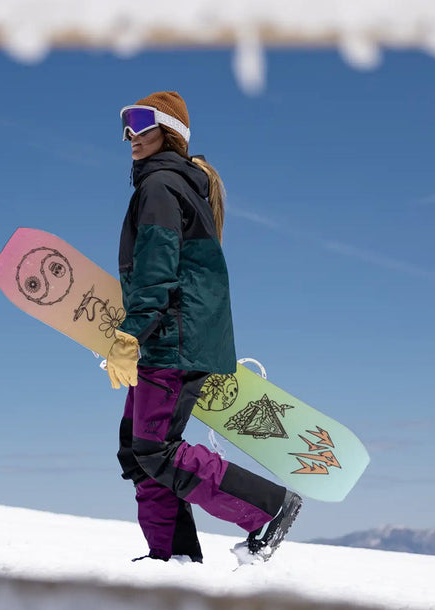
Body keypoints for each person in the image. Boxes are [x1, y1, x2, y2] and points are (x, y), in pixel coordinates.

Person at [106, 91, 301, 563]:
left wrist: (131, 333)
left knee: (154, 448)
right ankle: (170, 557)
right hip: (169, 337)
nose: (131, 135)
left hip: (171, 340)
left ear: (170, 131)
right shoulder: (171, 185)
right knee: (138, 450)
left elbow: (156, 268)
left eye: (141, 123)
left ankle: (267, 507)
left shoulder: (161, 186)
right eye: (126, 125)